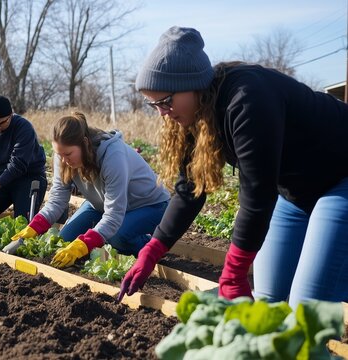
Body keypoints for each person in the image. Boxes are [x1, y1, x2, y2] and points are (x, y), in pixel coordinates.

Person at [118, 26, 348, 308]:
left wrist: (234, 270)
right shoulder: (194, 116)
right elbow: (190, 189)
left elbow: (257, 194)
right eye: (153, 105)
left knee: (307, 306)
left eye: (165, 101)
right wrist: (153, 249)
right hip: (295, 192)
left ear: (192, 84)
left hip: (340, 179)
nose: (162, 113)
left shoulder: (246, 99)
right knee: (267, 298)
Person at [9, 112, 170, 268]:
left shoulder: (113, 157)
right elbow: (57, 200)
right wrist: (32, 229)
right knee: (65, 240)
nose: (64, 160)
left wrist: (85, 244)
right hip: (100, 205)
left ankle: (150, 246)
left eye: (68, 154)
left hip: (150, 205)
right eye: (59, 155)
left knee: (116, 237)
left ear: (85, 143)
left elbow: (114, 215)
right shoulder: (63, 157)